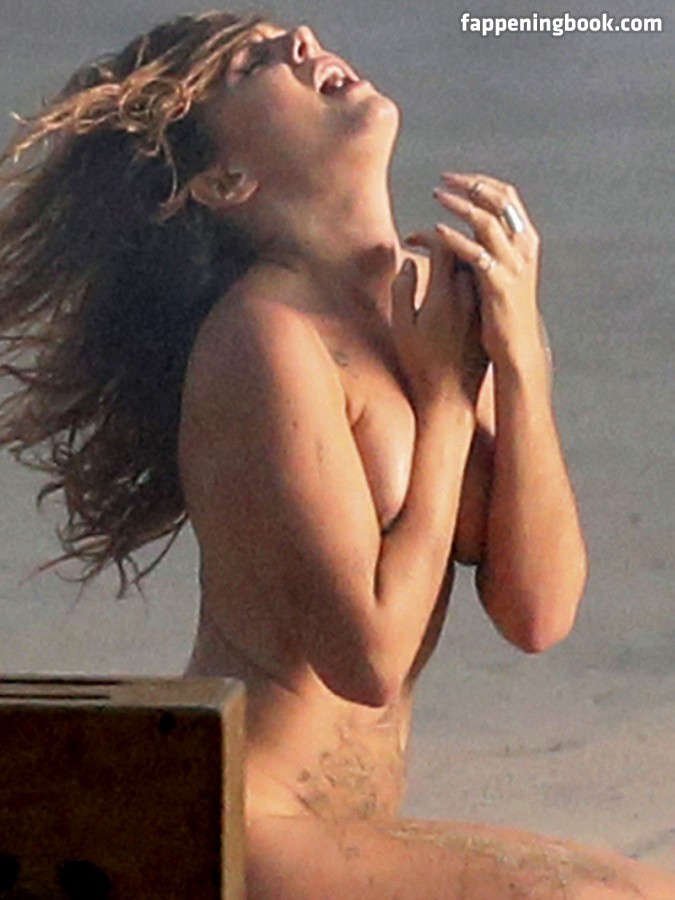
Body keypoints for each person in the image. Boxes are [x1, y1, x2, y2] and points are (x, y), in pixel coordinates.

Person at [0, 10, 673, 898]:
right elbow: (367, 661)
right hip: (240, 829)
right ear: (225, 180)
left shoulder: (427, 318)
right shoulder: (265, 338)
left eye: (287, 34)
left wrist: (518, 357)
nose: (301, 41)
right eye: (251, 64)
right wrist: (444, 400)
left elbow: (537, 611)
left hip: (343, 837)